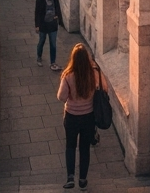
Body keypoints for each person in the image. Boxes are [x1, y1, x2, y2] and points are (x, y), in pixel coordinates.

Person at [57, 43, 100, 190]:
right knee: (84, 148)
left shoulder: (68, 76)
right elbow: (102, 88)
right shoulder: (93, 74)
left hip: (72, 116)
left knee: (70, 146)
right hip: (88, 117)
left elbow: (61, 97)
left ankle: (70, 177)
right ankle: (82, 179)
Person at [35, 0, 64, 69]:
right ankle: (39, 57)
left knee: (53, 44)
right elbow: (37, 13)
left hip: (52, 25)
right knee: (41, 41)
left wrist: (58, 18)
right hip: (43, 25)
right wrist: (37, 25)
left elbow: (57, 7)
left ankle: (53, 62)